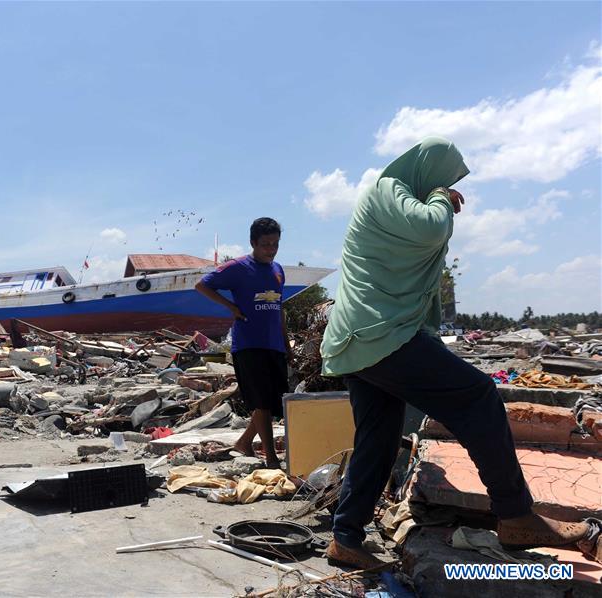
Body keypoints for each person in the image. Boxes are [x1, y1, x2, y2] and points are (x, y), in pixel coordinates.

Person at [320, 137, 588, 569]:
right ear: (427, 171)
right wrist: (440, 197)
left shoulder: (394, 201)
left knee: (378, 438)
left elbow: (416, 270)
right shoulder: (387, 188)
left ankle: (345, 537)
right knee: (478, 395)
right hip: (378, 334)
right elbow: (430, 227)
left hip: (361, 341)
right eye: (444, 179)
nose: (447, 188)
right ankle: (515, 513)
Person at [195, 217, 291, 468]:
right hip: (248, 344)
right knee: (260, 402)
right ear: (253, 243)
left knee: (271, 402)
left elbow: (279, 308)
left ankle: (244, 442)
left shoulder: (278, 270)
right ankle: (271, 459)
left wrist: (287, 343)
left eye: (275, 244)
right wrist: (231, 307)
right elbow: (202, 285)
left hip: (274, 345)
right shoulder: (238, 267)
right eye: (266, 244)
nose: (271, 249)